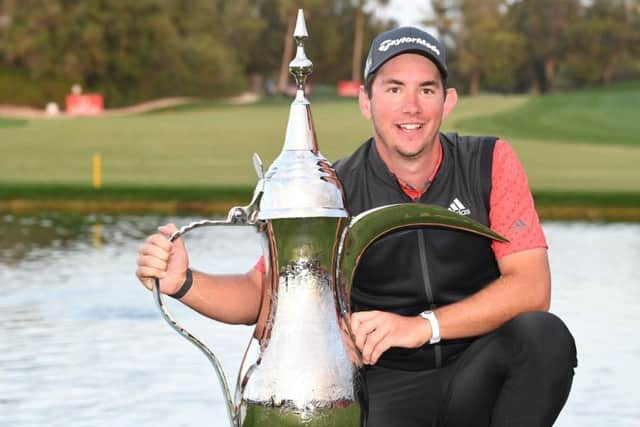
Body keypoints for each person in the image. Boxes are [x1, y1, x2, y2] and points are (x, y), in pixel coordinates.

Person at [136, 26, 577, 427]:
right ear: (366, 101)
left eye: (427, 89)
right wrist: (183, 282)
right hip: (385, 387)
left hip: (478, 372)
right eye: (393, 88)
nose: (411, 106)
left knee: (544, 339)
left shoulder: (489, 161)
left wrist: (422, 326)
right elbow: (263, 293)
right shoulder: (337, 188)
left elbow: (532, 288)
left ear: (449, 100)